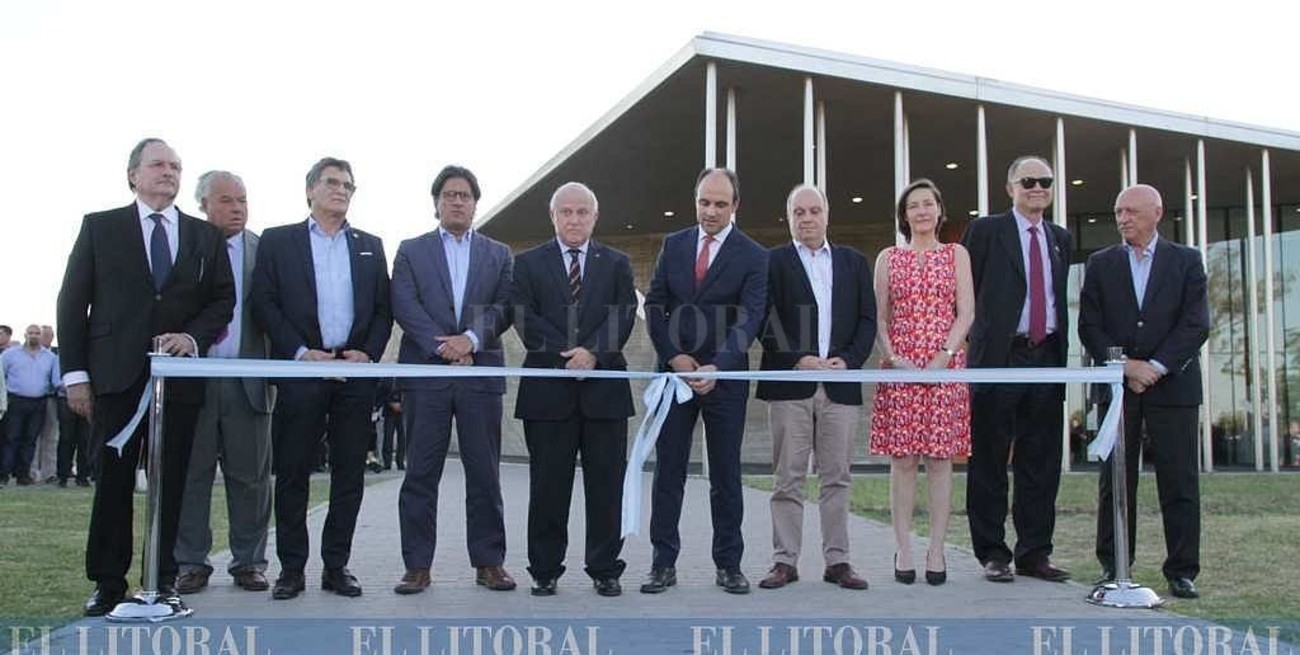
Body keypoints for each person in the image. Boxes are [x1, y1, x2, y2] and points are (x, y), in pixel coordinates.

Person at [57, 137, 236, 616]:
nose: (168, 172)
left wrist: (193, 338)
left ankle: (162, 580)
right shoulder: (101, 228)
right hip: (115, 375)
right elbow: (73, 304)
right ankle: (108, 583)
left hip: (177, 380)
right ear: (133, 174)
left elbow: (223, 300)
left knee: (171, 481)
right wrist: (75, 374)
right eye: (158, 165)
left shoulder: (204, 236)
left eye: (176, 166)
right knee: (113, 481)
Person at [250, 157, 392, 600]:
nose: (342, 190)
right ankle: (292, 568)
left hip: (352, 375)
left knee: (349, 473)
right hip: (303, 371)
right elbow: (265, 302)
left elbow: (384, 309)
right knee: (293, 472)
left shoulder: (370, 245)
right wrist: (298, 352)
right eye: (332, 183)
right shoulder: (279, 241)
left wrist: (366, 352)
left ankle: (337, 566)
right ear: (310, 189)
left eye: (349, 185)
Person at [1078, 183, 1209, 599]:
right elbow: (1089, 325)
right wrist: (1126, 367)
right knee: (1115, 481)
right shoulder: (1100, 264)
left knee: (1179, 479)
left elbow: (1196, 323)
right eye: (1118, 211)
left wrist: (1154, 367)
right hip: (1119, 389)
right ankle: (1114, 564)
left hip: (1173, 386)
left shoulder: (1187, 261)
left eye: (1131, 211)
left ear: (1157, 212)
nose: (1122, 219)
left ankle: (1182, 570)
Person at [641, 167, 768, 595]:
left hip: (723, 381)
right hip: (675, 378)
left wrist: (718, 365)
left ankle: (729, 565)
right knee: (668, 473)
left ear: (735, 206)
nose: (710, 211)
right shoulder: (673, 245)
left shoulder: (753, 255)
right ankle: (662, 564)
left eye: (719, 203)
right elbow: (655, 304)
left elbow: (750, 317)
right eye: (703, 202)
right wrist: (673, 357)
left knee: (726, 478)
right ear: (695, 200)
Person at [390, 165, 515, 595]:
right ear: (436, 203)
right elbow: (403, 303)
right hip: (427, 376)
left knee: (485, 474)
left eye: (464, 195)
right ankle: (417, 566)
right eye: (448, 194)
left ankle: (489, 563)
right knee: (421, 474)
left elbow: (504, 306)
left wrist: (471, 340)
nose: (457, 201)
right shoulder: (411, 250)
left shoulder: (499, 254)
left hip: (480, 377)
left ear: (475, 204)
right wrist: (441, 346)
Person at [511, 182, 637, 597]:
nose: (574, 219)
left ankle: (605, 568)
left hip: (604, 394)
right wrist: (571, 355)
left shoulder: (616, 263)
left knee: (605, 487)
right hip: (548, 394)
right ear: (553, 217)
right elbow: (524, 317)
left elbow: (624, 314)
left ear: (595, 217)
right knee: (548, 487)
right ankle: (544, 570)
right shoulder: (528, 264)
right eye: (566, 212)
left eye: (583, 212)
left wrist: (595, 354)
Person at [755, 184, 876, 591]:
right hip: (791, 384)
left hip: (840, 386)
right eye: (798, 212)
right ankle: (784, 562)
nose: (806, 218)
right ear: (788, 217)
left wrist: (851, 360)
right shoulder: (771, 262)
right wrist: (796, 358)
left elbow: (866, 320)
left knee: (837, 477)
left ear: (827, 214)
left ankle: (838, 561)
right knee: (787, 478)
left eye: (814, 210)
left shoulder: (854, 262)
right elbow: (763, 319)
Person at [962, 155, 1073, 583]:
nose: (1037, 188)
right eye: (1027, 181)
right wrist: (975, 342)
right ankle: (993, 552)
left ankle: (1035, 553)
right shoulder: (988, 231)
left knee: (1041, 460)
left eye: (1044, 181)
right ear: (1010, 187)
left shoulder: (1060, 238)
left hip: (1046, 357)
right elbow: (964, 291)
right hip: (999, 358)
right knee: (990, 457)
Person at [174, 170, 275, 595]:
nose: (237, 208)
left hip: (247, 381)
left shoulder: (264, 252)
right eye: (227, 200)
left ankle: (249, 562)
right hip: (195, 381)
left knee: (251, 477)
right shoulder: (184, 245)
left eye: (243, 200)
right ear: (204, 205)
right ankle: (191, 562)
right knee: (191, 475)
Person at [870, 179, 974, 586]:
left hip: (944, 365)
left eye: (928, 204)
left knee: (940, 459)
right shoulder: (888, 258)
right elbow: (879, 315)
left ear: (939, 209)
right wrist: (895, 357)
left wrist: (942, 357)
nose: (922, 212)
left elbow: (966, 312)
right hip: (900, 366)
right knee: (903, 460)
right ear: (904, 214)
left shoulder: (955, 254)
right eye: (913, 206)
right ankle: (904, 548)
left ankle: (936, 549)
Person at [1, 325, 60, 486]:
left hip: (39, 402)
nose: (34, 336)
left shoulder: (50, 357)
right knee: (11, 438)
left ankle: (23, 475)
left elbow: (55, 380)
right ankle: (4, 474)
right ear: (25, 334)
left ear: (41, 336)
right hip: (16, 400)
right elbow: (1, 376)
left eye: (37, 333)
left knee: (30, 439)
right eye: (31, 333)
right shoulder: (10, 355)